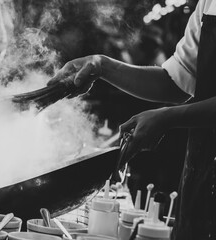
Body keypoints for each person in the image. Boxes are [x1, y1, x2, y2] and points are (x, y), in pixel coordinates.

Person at [47, 0, 216, 239]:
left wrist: (167, 117)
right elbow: (176, 81)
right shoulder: (208, 4)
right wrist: (102, 66)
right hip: (202, 174)